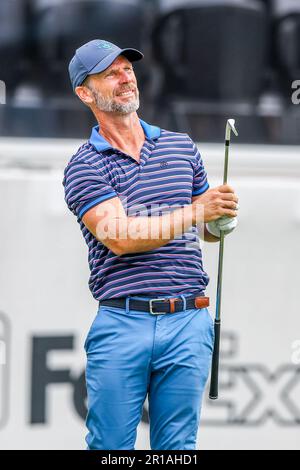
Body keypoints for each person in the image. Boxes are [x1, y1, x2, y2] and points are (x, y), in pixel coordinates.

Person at [63, 39, 239, 450]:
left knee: (178, 448)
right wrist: (197, 213)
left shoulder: (181, 146)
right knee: (111, 448)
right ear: (85, 93)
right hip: (123, 323)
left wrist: (220, 220)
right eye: (110, 74)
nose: (125, 78)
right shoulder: (85, 164)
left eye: (127, 69)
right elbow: (120, 238)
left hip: (188, 319)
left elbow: (206, 230)